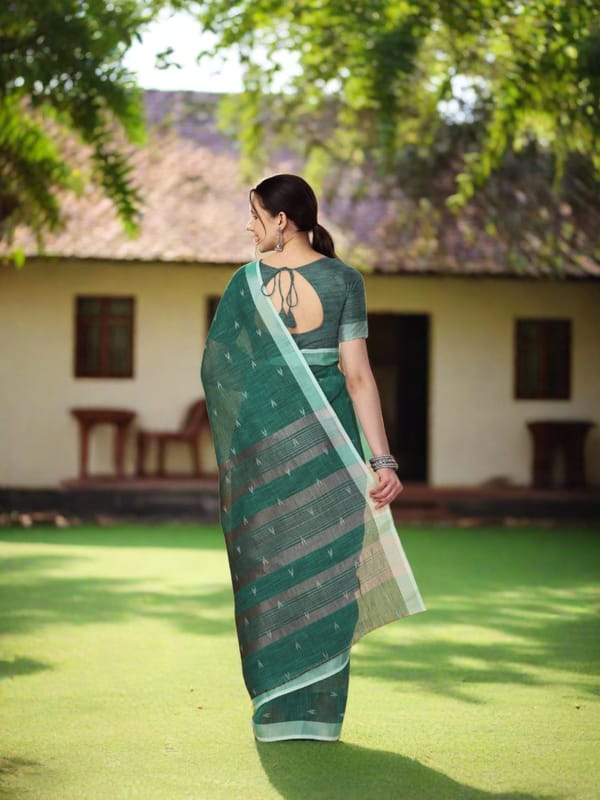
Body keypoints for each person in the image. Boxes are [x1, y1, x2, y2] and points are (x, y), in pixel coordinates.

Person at [201, 174, 425, 742]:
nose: (248, 226)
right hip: (331, 450)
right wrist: (382, 461)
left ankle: (283, 715)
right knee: (326, 572)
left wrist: (261, 407)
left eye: (255, 215)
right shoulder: (342, 279)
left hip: (265, 452)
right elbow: (357, 377)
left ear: (281, 220)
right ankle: (311, 716)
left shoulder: (248, 284)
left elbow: (222, 371)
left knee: (277, 573)